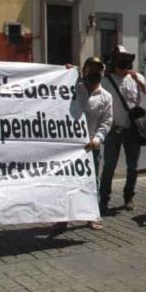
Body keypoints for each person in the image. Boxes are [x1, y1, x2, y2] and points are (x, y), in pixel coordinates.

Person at [52, 57, 113, 235]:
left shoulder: (106, 96)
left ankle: (92, 216)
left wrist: (97, 139)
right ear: (84, 71)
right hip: (69, 146)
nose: (95, 73)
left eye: (98, 70)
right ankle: (62, 218)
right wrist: (64, 74)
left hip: (90, 146)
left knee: (92, 183)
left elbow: (106, 121)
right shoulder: (72, 89)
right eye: (91, 69)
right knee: (65, 182)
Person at [100, 45, 146, 214]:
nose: (124, 66)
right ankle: (104, 198)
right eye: (121, 62)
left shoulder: (135, 77)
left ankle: (129, 196)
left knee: (133, 166)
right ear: (114, 63)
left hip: (133, 130)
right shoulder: (106, 81)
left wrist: (138, 79)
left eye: (127, 63)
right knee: (109, 167)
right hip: (114, 130)